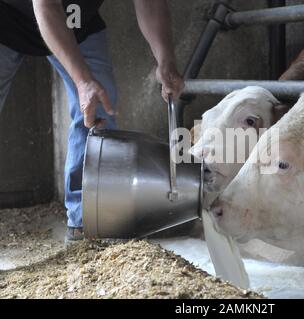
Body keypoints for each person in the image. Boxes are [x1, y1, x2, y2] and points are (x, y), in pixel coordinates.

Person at [0, 0, 185, 242]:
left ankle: (87, 220)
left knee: (100, 104)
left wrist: (165, 60)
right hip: (8, 19)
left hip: (77, 24)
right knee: (90, 88)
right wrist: (82, 80)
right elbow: (46, 8)